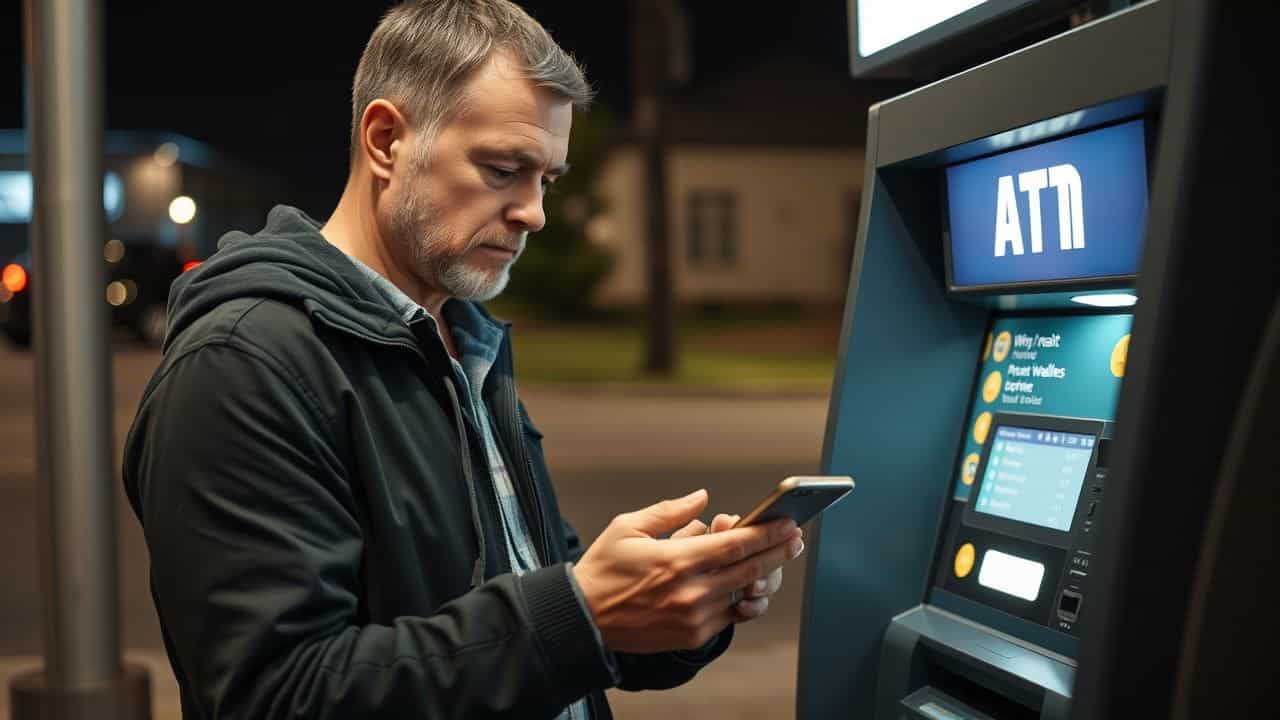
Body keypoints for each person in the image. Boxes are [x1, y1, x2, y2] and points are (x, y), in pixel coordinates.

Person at [122, 1, 804, 718]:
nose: (534, 212)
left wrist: (669, 607)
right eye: (504, 169)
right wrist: (581, 613)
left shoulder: (462, 342)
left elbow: (532, 618)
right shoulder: (242, 365)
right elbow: (274, 696)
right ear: (386, 139)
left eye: (548, 179)